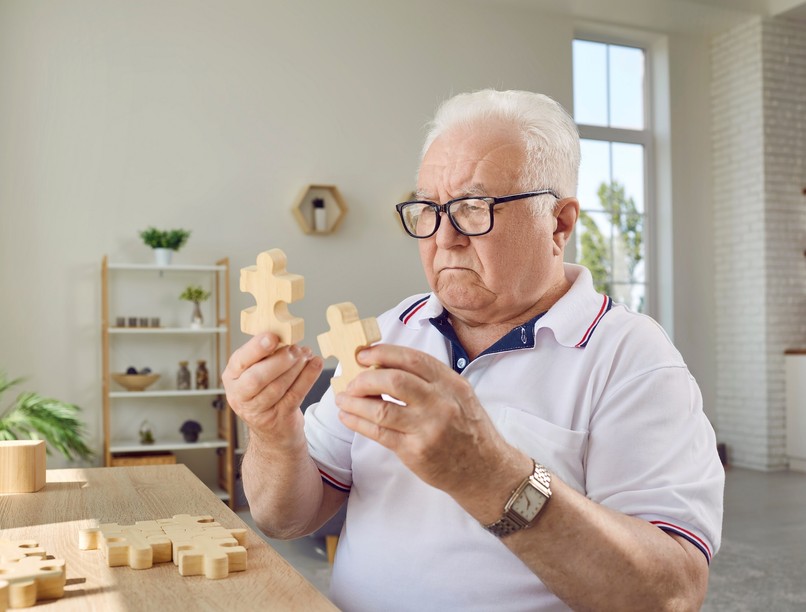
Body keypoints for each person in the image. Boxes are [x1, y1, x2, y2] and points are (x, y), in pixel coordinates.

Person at [223, 89, 724, 611]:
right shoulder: (391, 330)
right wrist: (274, 432)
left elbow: (671, 593)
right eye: (427, 209)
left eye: (472, 207)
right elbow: (285, 518)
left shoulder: (633, 358)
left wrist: (491, 476)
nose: (444, 237)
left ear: (560, 223)